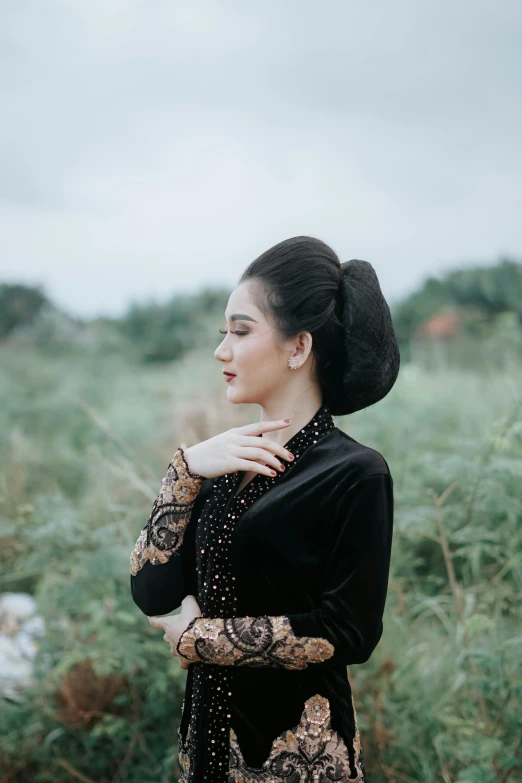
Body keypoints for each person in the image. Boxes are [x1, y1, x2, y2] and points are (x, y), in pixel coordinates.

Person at [130, 235, 400, 782]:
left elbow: (349, 631)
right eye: (222, 332)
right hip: (204, 752)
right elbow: (151, 591)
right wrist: (182, 472)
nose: (221, 350)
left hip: (299, 761)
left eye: (241, 330)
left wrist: (197, 639)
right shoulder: (220, 466)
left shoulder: (355, 473)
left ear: (298, 348)